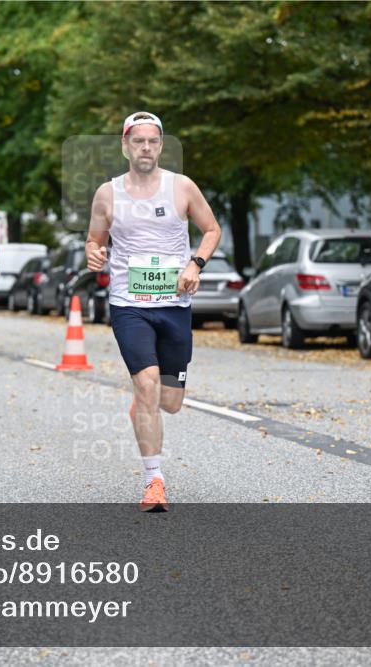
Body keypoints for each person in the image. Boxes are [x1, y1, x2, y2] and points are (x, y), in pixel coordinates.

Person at [85, 112, 221, 512]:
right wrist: (94, 255)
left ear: (161, 146)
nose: (146, 148)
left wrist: (195, 264)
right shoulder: (107, 194)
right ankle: (154, 482)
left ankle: (144, 405)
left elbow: (212, 229)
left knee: (170, 401)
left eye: (153, 141)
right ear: (125, 145)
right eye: (138, 141)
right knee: (146, 384)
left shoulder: (181, 188)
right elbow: (94, 242)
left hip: (174, 304)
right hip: (129, 305)